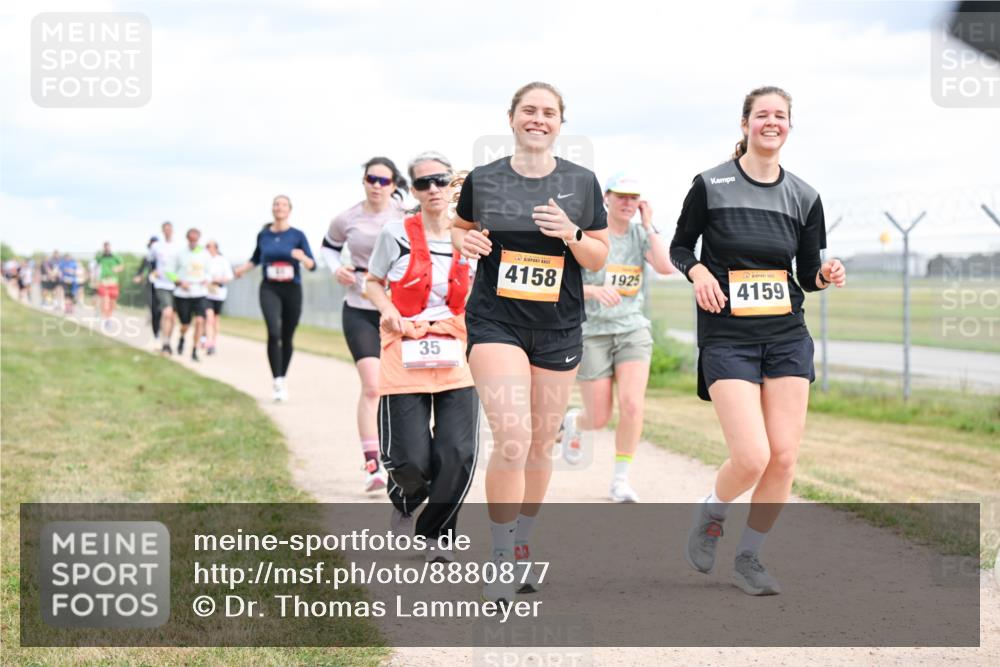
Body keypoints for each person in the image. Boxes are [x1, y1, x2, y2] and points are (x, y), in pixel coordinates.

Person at [670, 86, 846, 596]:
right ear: (746, 123)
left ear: (789, 126)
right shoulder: (711, 183)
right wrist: (699, 271)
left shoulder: (806, 196)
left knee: (785, 457)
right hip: (728, 334)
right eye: (763, 114)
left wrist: (827, 273)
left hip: (786, 333)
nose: (772, 122)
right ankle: (712, 513)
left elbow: (808, 273)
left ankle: (750, 557)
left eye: (781, 116)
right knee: (752, 456)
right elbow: (681, 245)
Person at [451, 82, 609, 603]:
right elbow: (459, 227)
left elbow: (598, 257)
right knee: (513, 437)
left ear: (561, 123)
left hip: (559, 326)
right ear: (512, 118)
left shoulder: (582, 182)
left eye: (548, 112)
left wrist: (570, 232)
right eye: (528, 111)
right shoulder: (486, 178)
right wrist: (465, 239)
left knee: (541, 443)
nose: (538, 119)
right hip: (496, 320)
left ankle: (522, 546)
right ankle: (498, 556)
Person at [365, 151, 478, 562]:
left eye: (440, 180)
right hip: (406, 345)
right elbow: (373, 282)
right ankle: (406, 498)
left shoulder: (472, 235)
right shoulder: (394, 234)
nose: (433, 189)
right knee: (409, 456)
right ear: (411, 190)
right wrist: (389, 310)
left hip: (456, 351)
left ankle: (437, 534)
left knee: (457, 453)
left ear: (453, 184)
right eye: (422, 183)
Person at [559, 173, 675, 502]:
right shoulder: (590, 236)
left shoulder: (640, 235)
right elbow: (563, 285)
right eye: (621, 196)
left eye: (633, 197)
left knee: (633, 405)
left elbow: (666, 268)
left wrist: (649, 224)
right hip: (593, 332)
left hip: (631, 329)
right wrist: (593, 290)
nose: (628, 203)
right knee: (598, 417)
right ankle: (574, 422)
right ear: (606, 198)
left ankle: (620, 480)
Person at [321, 157, 407, 493]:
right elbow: (329, 248)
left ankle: (402, 457)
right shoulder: (347, 218)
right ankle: (373, 463)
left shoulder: (404, 216)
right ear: (364, 181)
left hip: (396, 313)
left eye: (384, 181)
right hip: (358, 308)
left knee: (399, 387)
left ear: (394, 185)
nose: (376, 185)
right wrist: (336, 269)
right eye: (371, 179)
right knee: (372, 386)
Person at [234, 195, 316, 401]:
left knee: (287, 336)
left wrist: (303, 258)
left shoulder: (297, 235)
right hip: (269, 288)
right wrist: (242, 269)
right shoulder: (264, 235)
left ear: (290, 210)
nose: (279, 207)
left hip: (292, 289)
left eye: (283, 205)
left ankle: (283, 375)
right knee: (273, 331)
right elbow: (256, 258)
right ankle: (277, 380)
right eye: (276, 204)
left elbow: (312, 264)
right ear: (272, 209)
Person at [168, 228, 210, 362]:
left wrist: (206, 279)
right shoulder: (180, 254)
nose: (193, 242)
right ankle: (182, 338)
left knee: (199, 321)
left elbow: (209, 272)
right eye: (191, 239)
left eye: (195, 239)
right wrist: (180, 282)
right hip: (183, 294)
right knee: (185, 324)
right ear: (187, 239)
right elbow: (169, 272)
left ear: (198, 239)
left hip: (199, 292)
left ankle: (194, 350)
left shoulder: (205, 254)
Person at [150, 222, 180, 355]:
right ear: (163, 231)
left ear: (172, 230)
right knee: (166, 312)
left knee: (173, 316)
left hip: (177, 285)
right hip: (161, 284)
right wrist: (153, 273)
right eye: (165, 229)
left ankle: (168, 341)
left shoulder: (179, 247)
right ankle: (164, 342)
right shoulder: (156, 246)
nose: (168, 231)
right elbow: (150, 261)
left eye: (170, 229)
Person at [204, 240, 234, 355]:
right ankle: (207, 341)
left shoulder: (222, 260)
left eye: (210, 247)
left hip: (219, 292)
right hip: (207, 292)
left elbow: (229, 276)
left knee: (215, 319)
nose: (208, 249)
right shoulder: (205, 260)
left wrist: (219, 279)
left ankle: (213, 342)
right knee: (209, 318)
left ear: (215, 248)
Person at [133, 236, 162, 344]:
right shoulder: (148, 257)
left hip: (164, 286)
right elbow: (141, 268)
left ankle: (160, 328)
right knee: (154, 309)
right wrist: (138, 276)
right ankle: (156, 335)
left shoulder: (164, 257)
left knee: (162, 310)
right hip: (151, 284)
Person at [94, 242, 124, 330]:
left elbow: (122, 266)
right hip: (103, 281)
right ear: (103, 248)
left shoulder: (115, 256)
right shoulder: (100, 256)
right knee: (103, 299)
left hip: (113, 281)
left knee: (112, 301)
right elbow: (95, 265)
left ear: (110, 248)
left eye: (108, 247)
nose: (107, 249)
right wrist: (95, 278)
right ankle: (104, 317)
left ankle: (109, 318)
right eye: (105, 247)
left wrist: (117, 268)